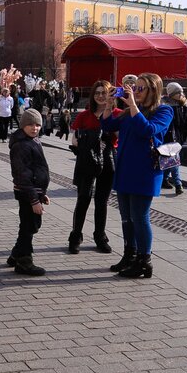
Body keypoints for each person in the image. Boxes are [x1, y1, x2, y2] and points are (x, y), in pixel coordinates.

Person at [100, 73, 173, 279]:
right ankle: (129, 254)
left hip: (145, 172)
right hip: (124, 169)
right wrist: (108, 104)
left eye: (141, 88)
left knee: (139, 217)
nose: (136, 91)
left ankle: (144, 261)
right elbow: (107, 126)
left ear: (153, 91)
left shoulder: (163, 111)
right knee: (126, 218)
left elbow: (148, 131)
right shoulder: (130, 111)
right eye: (135, 87)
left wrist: (132, 105)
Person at [68, 81, 116, 254]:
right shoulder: (85, 115)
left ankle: (100, 236)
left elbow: (120, 137)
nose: (101, 96)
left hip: (108, 161)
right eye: (97, 93)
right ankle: (75, 236)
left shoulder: (116, 114)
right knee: (83, 198)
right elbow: (74, 138)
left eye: (104, 92)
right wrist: (83, 145)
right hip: (87, 161)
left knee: (101, 201)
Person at [7, 109, 50, 276]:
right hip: (26, 193)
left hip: (33, 192)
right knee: (29, 226)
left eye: (38, 124)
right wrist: (34, 199)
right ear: (23, 125)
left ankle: (16, 254)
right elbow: (22, 175)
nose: (35, 128)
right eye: (31, 124)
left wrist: (41, 193)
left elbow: (37, 170)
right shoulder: (21, 145)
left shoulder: (33, 141)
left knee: (29, 225)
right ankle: (24, 261)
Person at [162, 82, 187, 195]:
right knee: (174, 160)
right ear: (172, 94)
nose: (181, 94)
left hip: (179, 138)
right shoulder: (165, 105)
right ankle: (178, 184)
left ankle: (164, 180)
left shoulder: (185, 105)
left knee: (169, 160)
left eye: (181, 91)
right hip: (168, 137)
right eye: (178, 92)